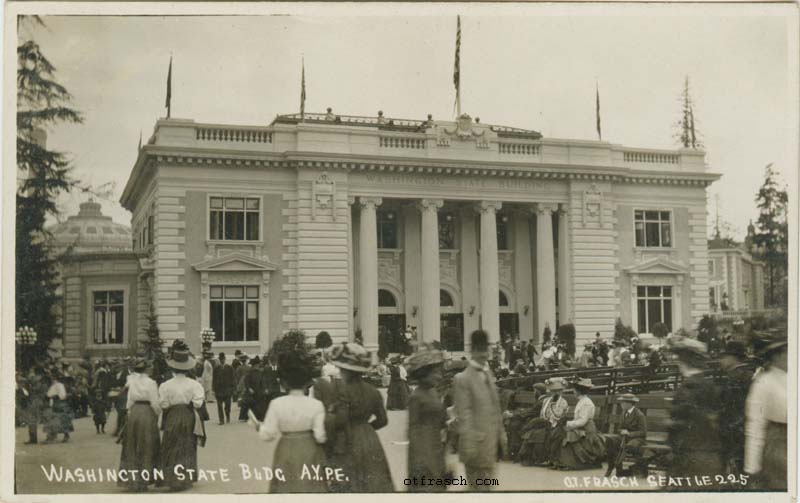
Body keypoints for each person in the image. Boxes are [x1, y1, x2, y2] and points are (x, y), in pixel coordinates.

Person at [249, 352, 328, 493]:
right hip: (309, 449)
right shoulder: (316, 405)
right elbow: (320, 436)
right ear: (306, 384)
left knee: (286, 487)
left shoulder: (276, 404)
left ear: (284, 383)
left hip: (286, 448)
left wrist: (258, 427)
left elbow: (268, 435)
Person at [325, 342, 393, 492]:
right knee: (372, 479)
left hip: (348, 438)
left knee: (350, 482)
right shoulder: (373, 391)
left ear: (346, 370)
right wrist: (366, 428)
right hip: (369, 439)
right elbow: (383, 420)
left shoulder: (341, 390)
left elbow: (341, 420)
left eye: (341, 369)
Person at [666, 335, 723, 489]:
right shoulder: (708, 384)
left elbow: (682, 421)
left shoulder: (689, 387)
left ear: (684, 360)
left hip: (690, 456)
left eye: (679, 358)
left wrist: (671, 423)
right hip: (710, 454)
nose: (677, 362)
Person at [454, 330, 506, 491]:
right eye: (479, 350)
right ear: (472, 351)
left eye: (486, 350)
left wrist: (501, 436)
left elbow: (495, 410)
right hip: (476, 449)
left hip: (491, 447)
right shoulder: (462, 379)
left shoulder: (488, 374)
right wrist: (470, 448)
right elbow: (464, 416)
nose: (484, 354)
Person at [159, 340, 207, 492]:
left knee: (171, 443)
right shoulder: (195, 385)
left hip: (172, 415)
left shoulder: (165, 385)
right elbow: (198, 403)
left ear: (172, 367)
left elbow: (164, 404)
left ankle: (171, 478)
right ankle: (186, 478)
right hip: (188, 415)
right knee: (187, 444)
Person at [745, 336, 787, 490]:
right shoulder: (764, 382)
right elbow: (755, 425)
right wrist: (752, 468)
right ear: (776, 356)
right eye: (785, 352)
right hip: (779, 445)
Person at [406, 348, 447, 492]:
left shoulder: (433, 392)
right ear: (424, 374)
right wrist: (421, 459)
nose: (439, 376)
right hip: (423, 448)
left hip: (436, 444)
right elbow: (413, 430)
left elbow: (441, 419)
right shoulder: (416, 397)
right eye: (435, 372)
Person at [118, 358, 161, 492]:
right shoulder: (151, 383)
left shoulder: (132, 382)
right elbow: (154, 402)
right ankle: (144, 480)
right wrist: (158, 414)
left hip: (135, 412)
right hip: (146, 413)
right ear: (147, 369)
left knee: (132, 444)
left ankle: (132, 479)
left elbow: (129, 401)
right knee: (146, 445)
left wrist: (129, 414)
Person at [552, 378, 605, 470]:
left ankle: (571, 462)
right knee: (560, 431)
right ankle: (559, 460)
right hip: (580, 427)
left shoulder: (587, 403)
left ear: (579, 391)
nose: (573, 391)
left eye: (574, 390)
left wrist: (567, 423)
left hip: (586, 428)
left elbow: (583, 421)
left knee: (569, 436)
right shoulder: (582, 401)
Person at [718, 340, 754, 475]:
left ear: (733, 358)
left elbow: (730, 407)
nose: (721, 361)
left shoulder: (735, 377)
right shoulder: (747, 374)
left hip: (734, 433)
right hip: (743, 429)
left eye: (724, 357)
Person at [603, 393, 648, 476]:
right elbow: (619, 428)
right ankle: (613, 467)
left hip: (637, 439)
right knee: (610, 440)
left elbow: (643, 432)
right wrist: (621, 431)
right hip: (624, 437)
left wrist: (629, 433)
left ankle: (631, 469)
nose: (621, 404)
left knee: (628, 446)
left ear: (629, 403)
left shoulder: (639, 415)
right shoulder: (624, 413)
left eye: (623, 402)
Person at [44, 368, 74, 443]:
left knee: (61, 419)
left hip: (59, 403)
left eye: (52, 377)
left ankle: (65, 435)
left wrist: (54, 397)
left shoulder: (59, 385)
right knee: (55, 420)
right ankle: (52, 436)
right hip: (55, 403)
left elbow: (62, 396)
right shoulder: (54, 385)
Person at [213, 352, 235, 425]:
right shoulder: (216, 368)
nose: (222, 360)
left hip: (227, 389)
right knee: (219, 406)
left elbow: (232, 378)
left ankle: (227, 415)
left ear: (225, 359)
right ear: (219, 360)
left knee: (227, 405)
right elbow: (214, 379)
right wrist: (213, 389)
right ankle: (221, 420)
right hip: (219, 390)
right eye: (221, 359)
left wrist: (232, 388)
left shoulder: (229, 368)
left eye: (223, 359)